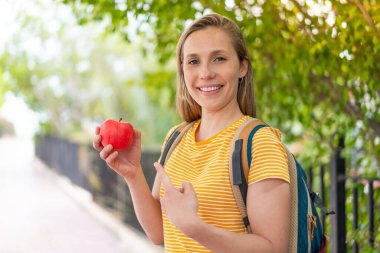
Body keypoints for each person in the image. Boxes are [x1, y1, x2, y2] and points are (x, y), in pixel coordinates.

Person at [93, 13, 290, 253]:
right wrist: (133, 175)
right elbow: (159, 232)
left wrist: (195, 228)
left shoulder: (260, 142)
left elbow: (273, 248)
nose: (205, 73)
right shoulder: (177, 137)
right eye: (193, 61)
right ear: (183, 71)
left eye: (218, 58)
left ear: (242, 67)